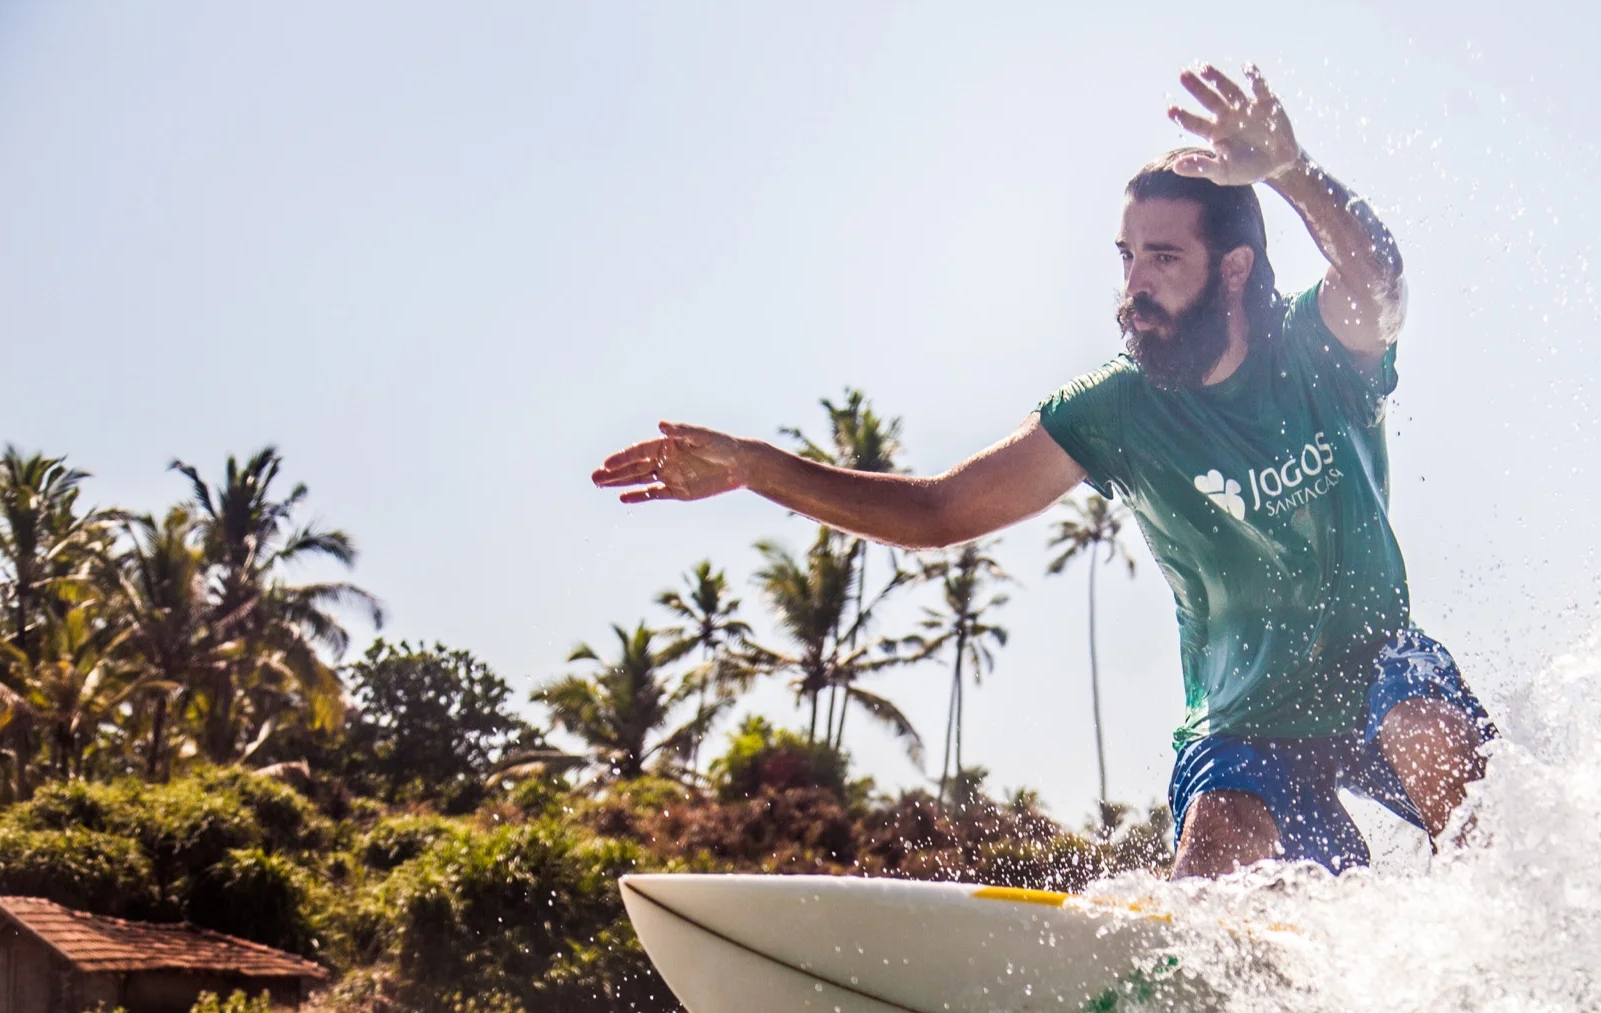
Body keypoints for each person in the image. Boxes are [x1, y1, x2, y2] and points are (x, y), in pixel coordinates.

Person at [593, 63, 1494, 878]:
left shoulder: (1315, 349)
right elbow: (939, 511)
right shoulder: (1116, 410)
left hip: (1372, 667)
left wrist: (1290, 172)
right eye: (1127, 257)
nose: (1134, 286)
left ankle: (1510, 921)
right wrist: (754, 467)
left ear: (1233, 270)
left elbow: (1380, 280)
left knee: (1428, 730)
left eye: (1163, 258)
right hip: (1246, 722)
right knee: (1219, 840)